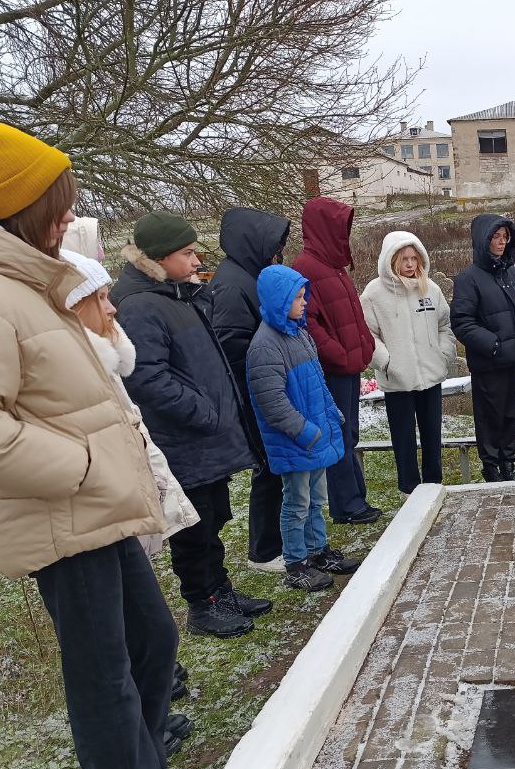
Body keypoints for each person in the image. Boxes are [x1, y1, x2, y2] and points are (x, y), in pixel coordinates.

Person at [0, 119, 200, 769]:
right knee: (104, 670)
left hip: (94, 509)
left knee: (150, 641)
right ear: (28, 208)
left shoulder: (23, 280)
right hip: (61, 515)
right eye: (61, 202)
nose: (69, 216)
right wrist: (74, 467)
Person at [112, 212, 271, 638]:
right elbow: (146, 377)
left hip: (205, 438)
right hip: (183, 439)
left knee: (213, 517)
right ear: (161, 258)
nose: (196, 258)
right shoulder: (141, 306)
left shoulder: (177, 294)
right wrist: (203, 412)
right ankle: (203, 605)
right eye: (186, 253)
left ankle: (220, 590)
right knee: (194, 527)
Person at [63, 251, 200, 559]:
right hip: (101, 522)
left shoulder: (104, 366)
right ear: (72, 307)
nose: (112, 309)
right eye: (100, 299)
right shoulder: (75, 375)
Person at [246, 264, 362, 591]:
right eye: (297, 298)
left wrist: (331, 413)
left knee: (315, 499)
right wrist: (305, 431)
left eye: (303, 296)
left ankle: (318, 551)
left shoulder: (299, 333)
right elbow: (272, 402)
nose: (304, 303)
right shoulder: (265, 345)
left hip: (314, 436)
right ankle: (296, 562)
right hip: (296, 441)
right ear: (279, 300)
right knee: (296, 503)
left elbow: (318, 384)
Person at [207, 207, 292, 570]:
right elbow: (232, 345)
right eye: (274, 245)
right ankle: (264, 549)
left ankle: (275, 540)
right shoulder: (231, 284)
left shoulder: (247, 275)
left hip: (262, 384)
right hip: (251, 390)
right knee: (269, 465)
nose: (278, 253)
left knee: (276, 464)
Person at [292, 197, 382, 524]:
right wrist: (341, 355)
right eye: (340, 226)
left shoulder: (333, 265)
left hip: (348, 367)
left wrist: (365, 344)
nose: (345, 233)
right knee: (338, 435)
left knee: (349, 433)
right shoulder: (306, 267)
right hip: (333, 370)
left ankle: (354, 500)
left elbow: (351, 313)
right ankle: (348, 505)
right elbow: (309, 323)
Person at [361, 231, 456, 494]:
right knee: (403, 439)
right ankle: (409, 489)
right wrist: (385, 361)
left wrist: (443, 353)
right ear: (391, 260)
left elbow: (444, 325)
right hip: (398, 380)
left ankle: (433, 485)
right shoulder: (374, 293)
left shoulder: (431, 289)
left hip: (430, 375)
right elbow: (367, 334)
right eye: (404, 259)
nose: (410, 264)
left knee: (431, 434)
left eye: (414, 258)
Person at [451, 215, 515, 482]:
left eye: (505, 237)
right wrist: (494, 345)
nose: (501, 242)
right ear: (483, 239)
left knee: (511, 414)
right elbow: (462, 322)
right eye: (495, 237)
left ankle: (508, 463)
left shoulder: (510, 271)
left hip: (512, 359)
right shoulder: (469, 278)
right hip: (489, 362)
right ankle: (491, 467)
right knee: (490, 416)